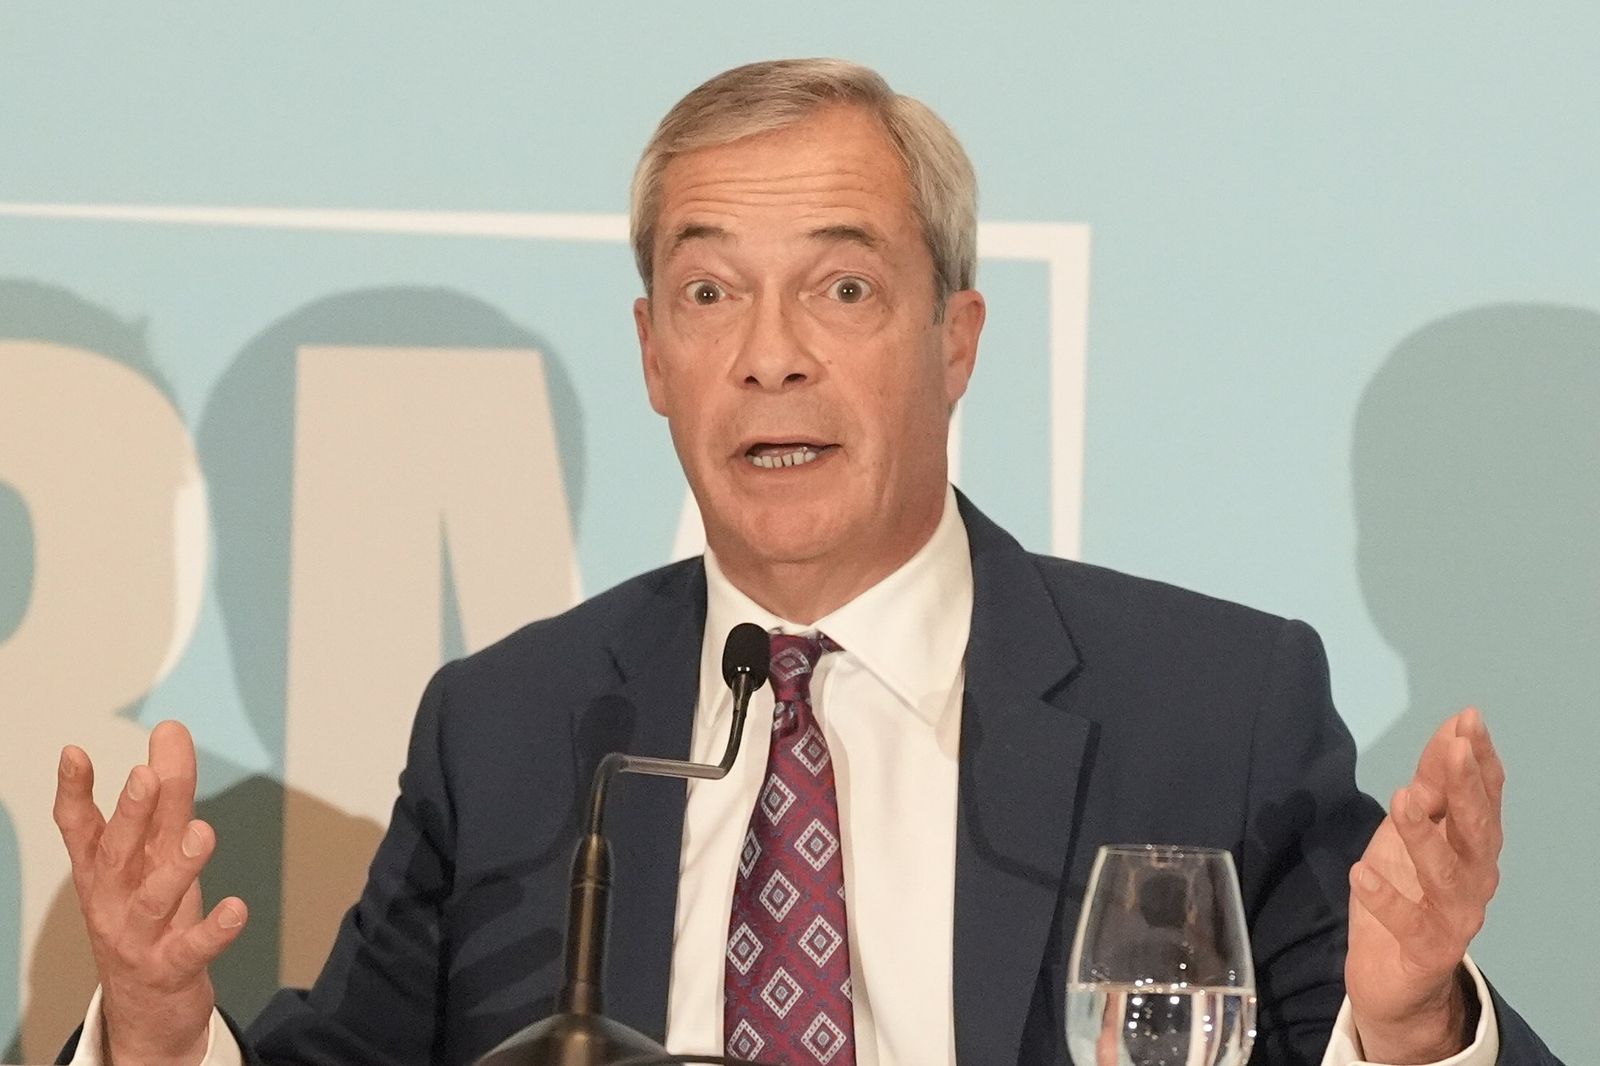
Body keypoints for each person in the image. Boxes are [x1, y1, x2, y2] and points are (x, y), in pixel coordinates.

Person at [51, 59, 1561, 1066]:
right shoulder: (512, 730)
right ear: (653, 354)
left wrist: (1414, 1023)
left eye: (842, 288)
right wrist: (159, 1028)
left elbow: (1379, 1024)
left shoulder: (1210, 710)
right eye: (709, 293)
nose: (769, 357)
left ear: (955, 341)